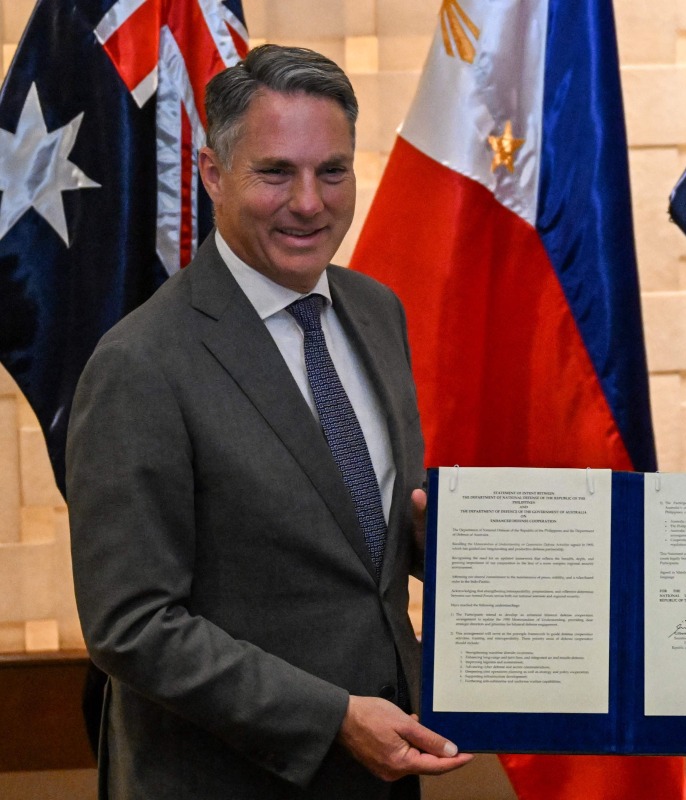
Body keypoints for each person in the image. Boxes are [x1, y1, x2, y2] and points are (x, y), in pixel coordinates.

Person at [67, 44, 472, 799]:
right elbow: (132, 624)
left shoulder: (376, 311)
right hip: (220, 777)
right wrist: (332, 717)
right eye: (276, 172)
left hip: (382, 772)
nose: (310, 203)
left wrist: (430, 540)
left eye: (333, 170)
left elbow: (355, 531)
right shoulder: (141, 363)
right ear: (214, 175)